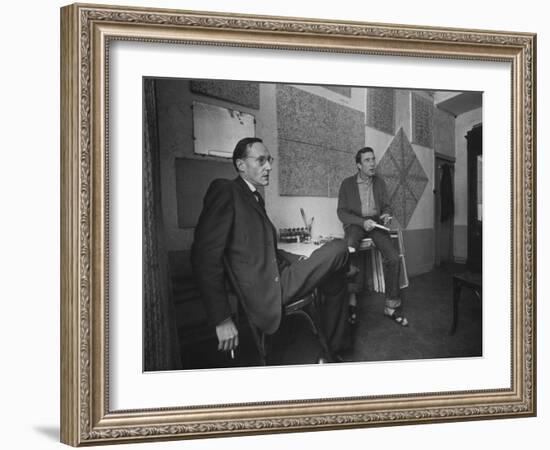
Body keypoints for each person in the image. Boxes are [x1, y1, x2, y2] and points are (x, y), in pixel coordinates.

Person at [191, 137, 351, 362]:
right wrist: (222, 318)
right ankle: (345, 273)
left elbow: (268, 251)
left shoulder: (254, 198)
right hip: (267, 290)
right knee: (338, 247)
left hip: (279, 274)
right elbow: (203, 257)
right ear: (241, 165)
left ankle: (333, 350)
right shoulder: (225, 190)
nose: (269, 167)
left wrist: (301, 258)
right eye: (261, 160)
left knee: (336, 279)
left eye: (269, 160)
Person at [337, 147, 409, 327]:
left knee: (393, 258)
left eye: (373, 159)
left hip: (376, 224)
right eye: (367, 160)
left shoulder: (379, 183)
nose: (372, 164)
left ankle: (391, 306)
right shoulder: (347, 184)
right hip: (356, 224)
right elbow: (342, 213)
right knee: (350, 247)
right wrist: (362, 223)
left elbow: (387, 206)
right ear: (358, 165)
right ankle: (352, 303)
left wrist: (386, 215)